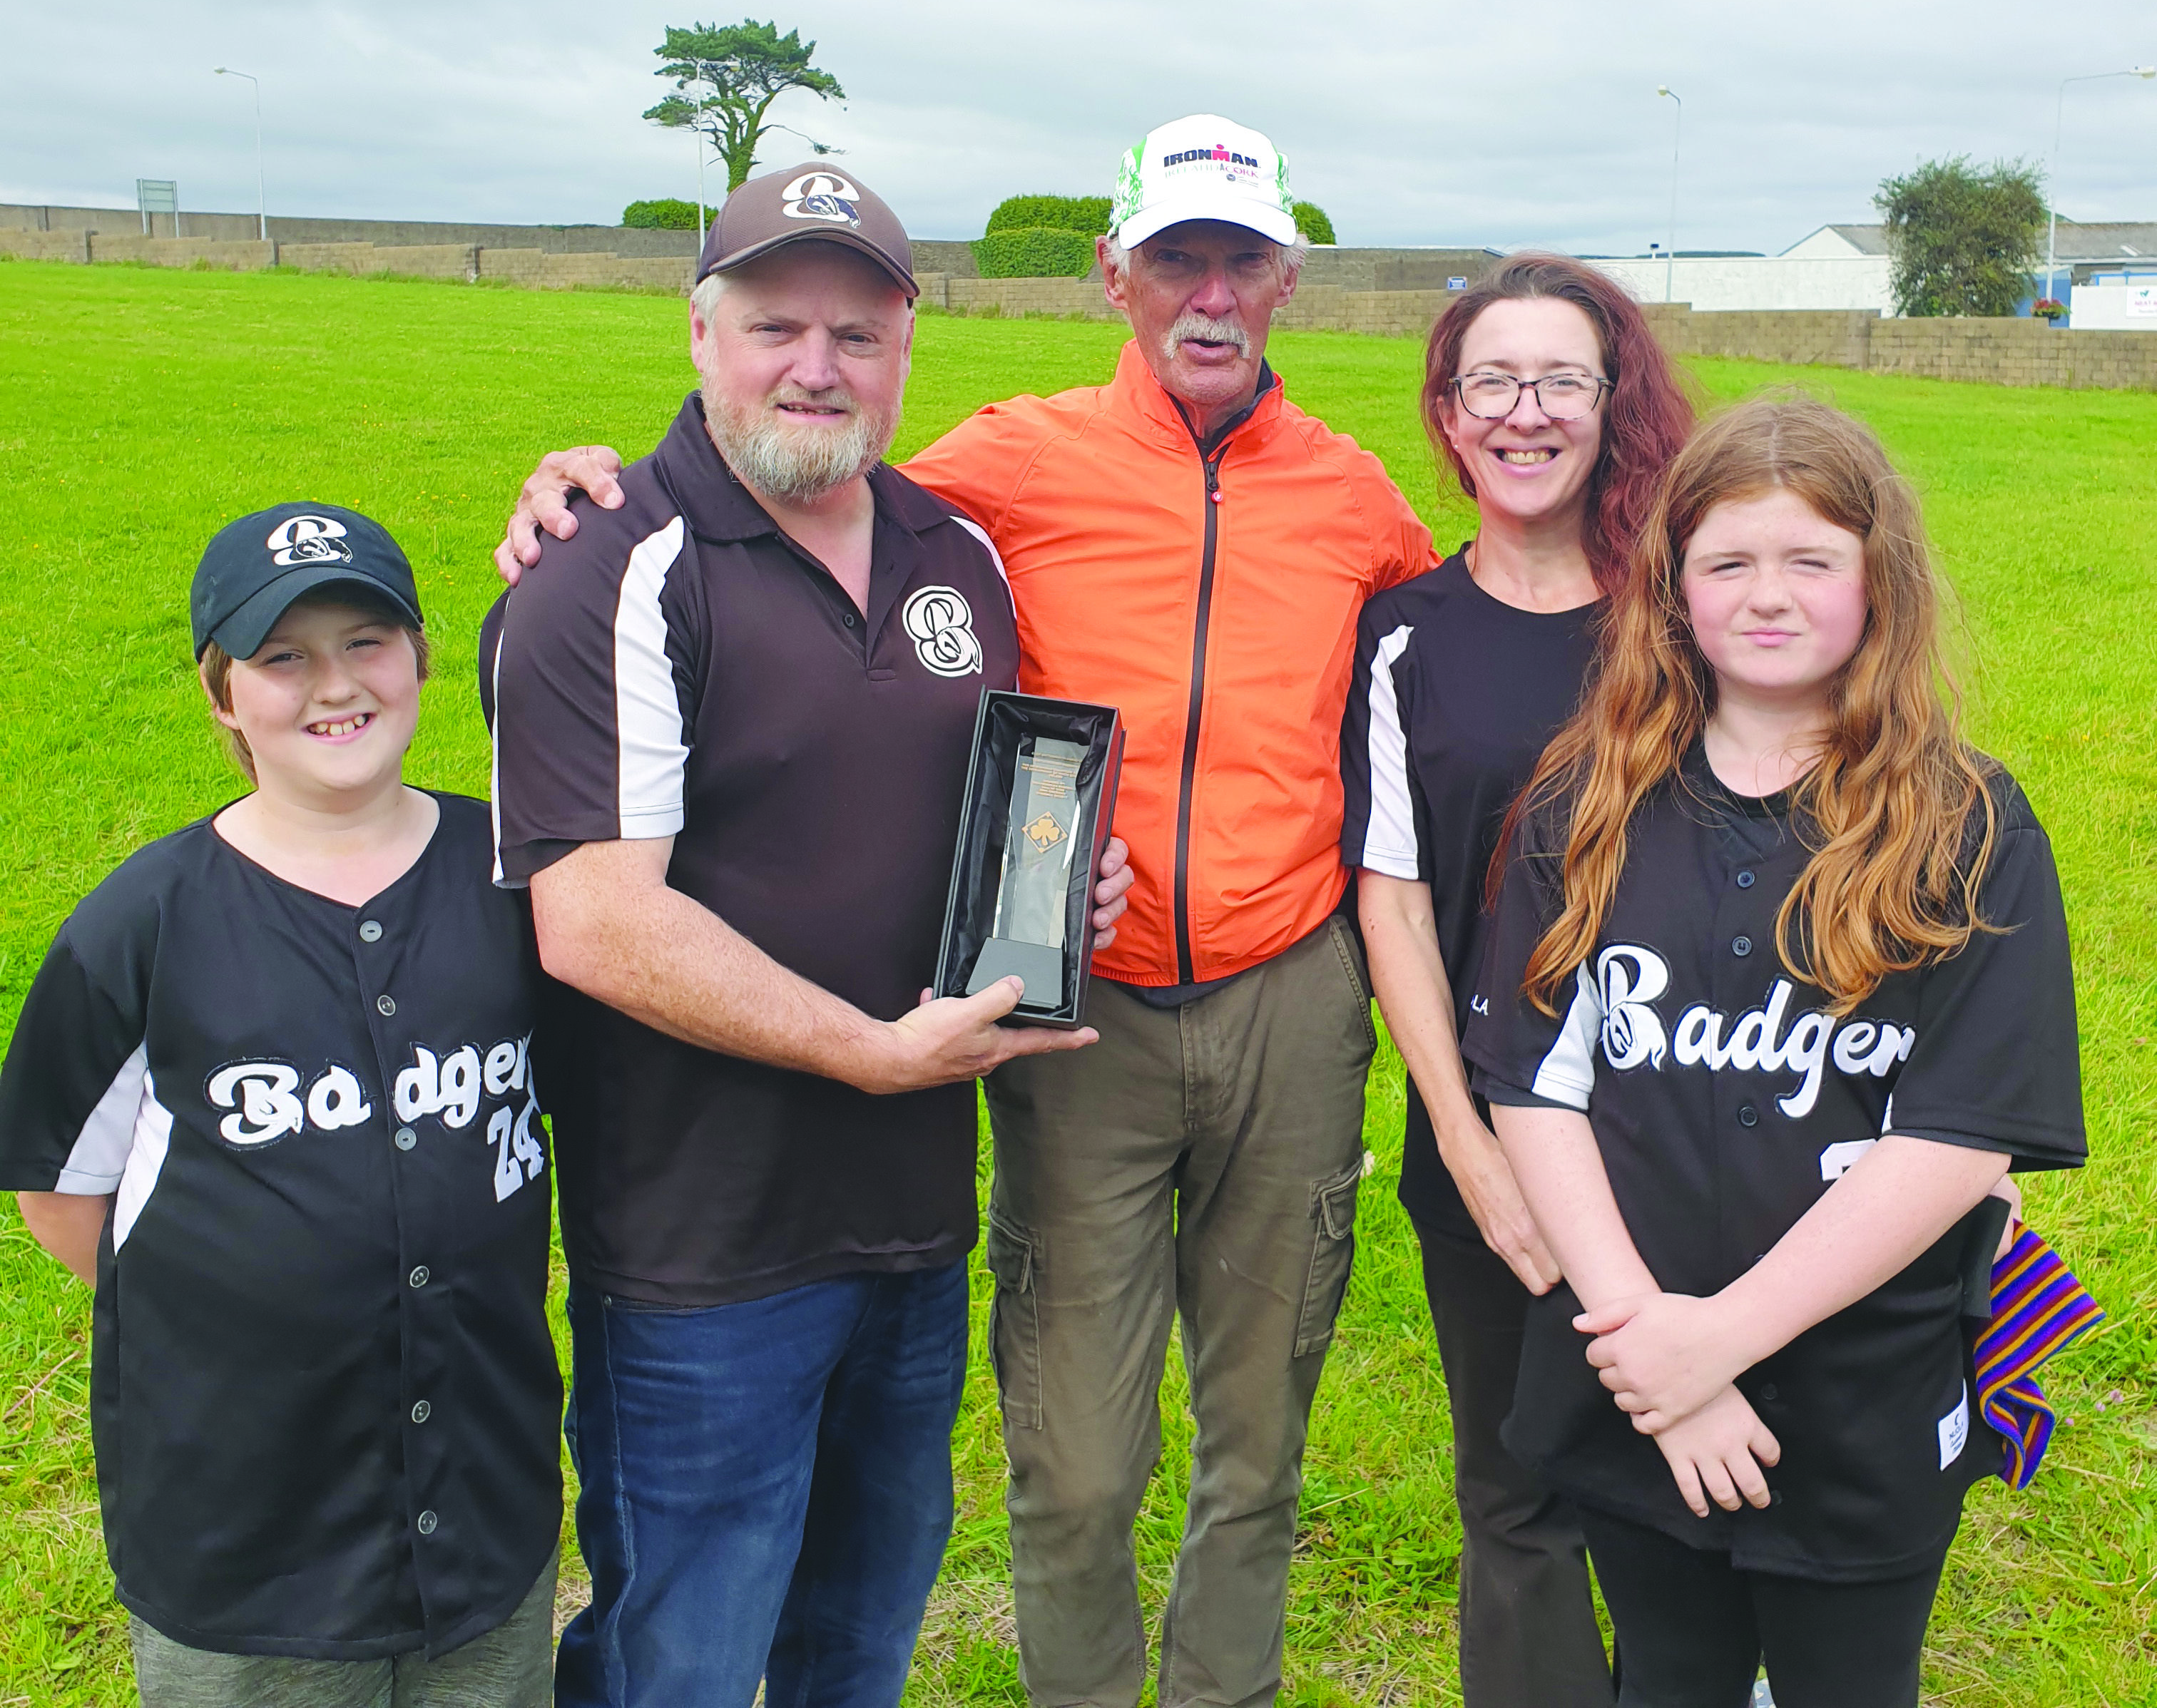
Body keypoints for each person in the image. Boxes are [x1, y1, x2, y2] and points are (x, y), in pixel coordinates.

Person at [497, 116, 1435, 1708]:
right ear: (1115, 275)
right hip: (1066, 1029)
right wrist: (576, 482)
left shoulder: (1353, 499)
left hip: (1279, 992)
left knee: (1244, 1446)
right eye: (1175, 259)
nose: (1210, 294)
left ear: (1286, 278)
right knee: (1064, 1468)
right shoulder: (1008, 465)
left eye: (1244, 259)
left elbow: (1461, 651)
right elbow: (785, 471)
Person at [481, 162, 1131, 1708]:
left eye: (859, 333)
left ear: (909, 347)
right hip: (706, 1250)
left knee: (859, 1639)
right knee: (684, 1656)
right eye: (778, 326)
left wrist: (1053, 897)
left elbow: (967, 817)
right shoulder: (611, 571)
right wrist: (870, 1054)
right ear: (702, 335)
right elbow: (593, 922)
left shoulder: (952, 557)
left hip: (911, 1226)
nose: (818, 367)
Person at [1464, 397, 2084, 1708]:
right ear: (1672, 589)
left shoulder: (1967, 822)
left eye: (1812, 561)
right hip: (1632, 1370)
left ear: (1879, 584)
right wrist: (1661, 1357)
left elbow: (1957, 1132)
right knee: (1671, 1674)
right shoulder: (1586, 806)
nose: (1767, 596)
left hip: (1862, 1389)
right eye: (1727, 563)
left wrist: (1724, 1340)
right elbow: (1537, 1084)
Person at [0, 504, 562, 1707]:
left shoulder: (514, 882)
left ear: (419, 660)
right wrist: (240, 1303)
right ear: (222, 696)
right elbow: (59, 1188)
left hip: (483, 1507)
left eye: (367, 642)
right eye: (283, 658)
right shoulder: (145, 924)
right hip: (250, 1539)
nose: (334, 686)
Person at [1340, 253, 1693, 1703]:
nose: (1526, 412)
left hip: (1686, 1132)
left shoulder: (1684, 617)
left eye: (1561, 380)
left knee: (1683, 1468)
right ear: (1448, 408)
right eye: (1495, 380)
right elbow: (1394, 897)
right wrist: (1473, 1153)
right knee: (1517, 1486)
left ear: (1613, 405)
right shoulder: (1406, 633)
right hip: (1485, 1138)